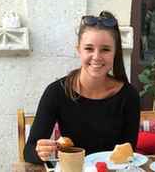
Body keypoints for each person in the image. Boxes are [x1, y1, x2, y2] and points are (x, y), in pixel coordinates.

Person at [23, 11, 140, 164]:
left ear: (115, 52)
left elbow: (128, 153)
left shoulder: (129, 96)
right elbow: (29, 151)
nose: (97, 56)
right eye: (89, 49)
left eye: (105, 49)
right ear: (79, 50)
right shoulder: (56, 92)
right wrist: (40, 152)